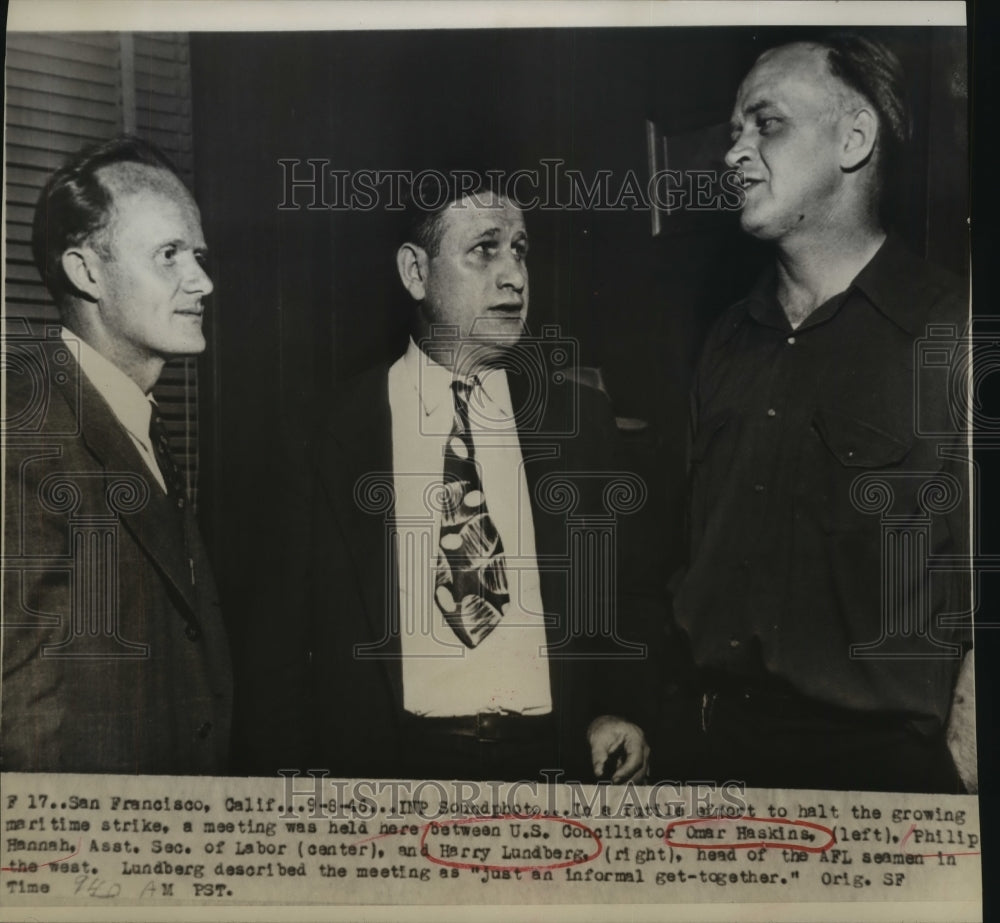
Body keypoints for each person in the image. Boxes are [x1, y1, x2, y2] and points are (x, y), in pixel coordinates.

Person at [244, 174, 660, 782]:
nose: (514, 275)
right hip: (389, 773)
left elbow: (627, 595)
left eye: (520, 249)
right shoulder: (323, 432)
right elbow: (276, 651)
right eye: (484, 249)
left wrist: (618, 709)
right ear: (415, 272)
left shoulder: (580, 422)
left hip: (551, 767)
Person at [668, 35, 973, 792]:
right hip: (720, 757)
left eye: (765, 123)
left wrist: (964, 758)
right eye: (735, 130)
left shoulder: (956, 332)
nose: (734, 153)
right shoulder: (728, 339)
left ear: (853, 138)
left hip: (887, 774)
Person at [2, 136, 232, 773]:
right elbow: (24, 721)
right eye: (169, 255)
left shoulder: (134, 421)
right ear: (87, 272)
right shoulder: (24, 437)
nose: (204, 281)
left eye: (200, 255)